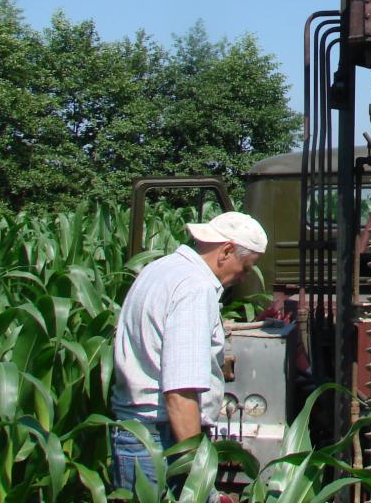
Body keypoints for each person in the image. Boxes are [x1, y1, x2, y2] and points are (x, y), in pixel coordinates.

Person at [111, 210, 268, 498]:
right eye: (246, 267)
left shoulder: (159, 270)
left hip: (134, 435)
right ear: (227, 251)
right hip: (162, 441)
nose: (244, 277)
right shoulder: (196, 289)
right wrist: (200, 476)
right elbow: (180, 393)